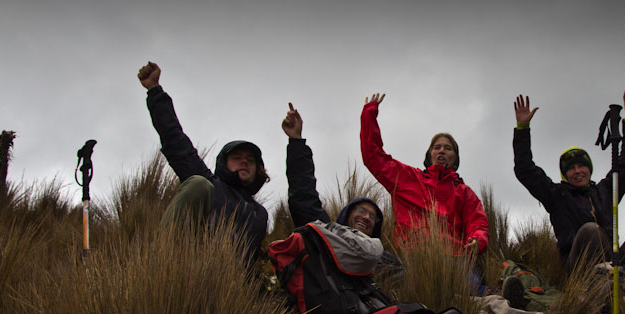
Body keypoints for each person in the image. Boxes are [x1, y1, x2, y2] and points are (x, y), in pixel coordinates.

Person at [511, 88, 625, 281]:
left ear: (590, 169)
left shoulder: (606, 191)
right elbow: (525, 169)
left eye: (582, 166)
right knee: (591, 230)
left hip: (615, 263)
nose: (578, 171)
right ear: (564, 174)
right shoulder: (556, 195)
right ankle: (600, 284)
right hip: (579, 270)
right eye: (571, 168)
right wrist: (522, 129)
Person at [138, 61, 269, 268]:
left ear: (257, 170)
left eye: (250, 160)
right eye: (237, 157)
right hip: (185, 270)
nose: (244, 161)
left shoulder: (260, 214)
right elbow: (174, 139)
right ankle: (156, 267)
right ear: (224, 164)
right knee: (198, 184)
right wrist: (155, 91)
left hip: (227, 287)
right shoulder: (210, 183)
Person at [360, 93, 489, 293]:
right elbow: (373, 157)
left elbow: (477, 223)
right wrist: (369, 115)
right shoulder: (407, 178)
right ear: (430, 155)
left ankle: (486, 295)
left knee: (470, 288)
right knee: (374, 258)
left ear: (455, 157)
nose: (442, 151)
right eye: (437, 147)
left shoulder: (464, 193)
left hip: (453, 259)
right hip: (410, 258)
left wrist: (477, 240)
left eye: (448, 148)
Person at [281, 103, 404, 280]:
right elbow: (303, 195)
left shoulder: (386, 259)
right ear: (347, 214)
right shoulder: (326, 236)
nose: (367, 217)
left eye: (372, 216)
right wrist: (296, 141)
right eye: (361, 211)